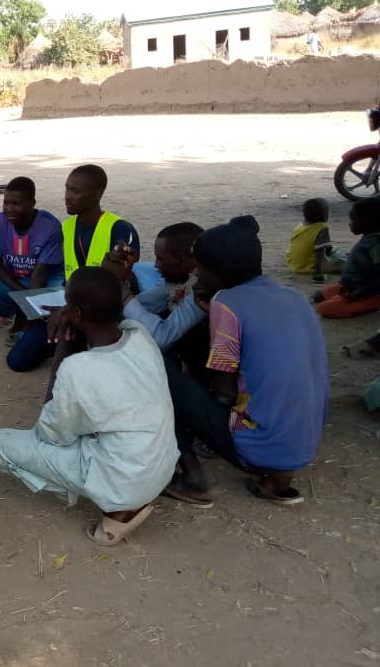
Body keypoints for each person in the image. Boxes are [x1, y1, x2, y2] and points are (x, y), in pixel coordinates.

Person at [0, 268, 178, 545]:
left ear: (74, 314)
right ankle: (120, 496)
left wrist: (63, 344)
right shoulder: (139, 335)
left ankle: (118, 512)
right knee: (92, 422)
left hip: (126, 484)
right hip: (162, 468)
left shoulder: (78, 369)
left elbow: (50, 435)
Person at [165, 216, 328, 507]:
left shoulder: (228, 303)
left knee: (160, 367)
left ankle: (192, 478)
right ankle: (277, 482)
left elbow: (224, 392)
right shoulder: (293, 296)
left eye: (200, 270)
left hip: (256, 448)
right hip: (302, 445)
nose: (197, 278)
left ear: (221, 272)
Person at [8, 165, 139, 372]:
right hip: (71, 304)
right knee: (17, 361)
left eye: (75, 191)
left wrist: (69, 311)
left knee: (81, 360)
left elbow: (121, 277)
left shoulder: (119, 228)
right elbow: (65, 274)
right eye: (67, 189)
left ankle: (74, 342)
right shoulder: (66, 228)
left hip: (104, 314)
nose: (67, 196)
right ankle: (65, 339)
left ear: (97, 194)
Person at [0, 177, 64, 331]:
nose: (9, 209)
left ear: (32, 203)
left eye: (16, 204)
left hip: (46, 281)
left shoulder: (50, 226)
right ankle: (19, 312)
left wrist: (29, 301)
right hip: (16, 281)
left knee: (60, 307)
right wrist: (23, 297)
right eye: (6, 203)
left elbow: (40, 274)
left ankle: (28, 318)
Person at [109, 223, 207, 355]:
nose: (156, 265)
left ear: (182, 260)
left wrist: (118, 285)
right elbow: (140, 305)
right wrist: (122, 277)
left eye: (160, 259)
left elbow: (161, 338)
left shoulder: (202, 289)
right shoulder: (178, 283)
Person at [314, 197, 380, 319]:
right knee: (319, 296)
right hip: (350, 286)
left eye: (354, 220)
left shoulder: (376, 244)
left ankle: (372, 303)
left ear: (368, 221)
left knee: (324, 309)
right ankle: (343, 294)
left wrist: (361, 292)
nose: (350, 224)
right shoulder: (369, 238)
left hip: (367, 292)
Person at [286, 198, 344, 280]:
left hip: (294, 265)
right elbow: (319, 253)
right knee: (344, 262)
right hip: (309, 267)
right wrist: (318, 273)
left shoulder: (299, 227)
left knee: (334, 251)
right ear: (323, 215)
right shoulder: (322, 227)